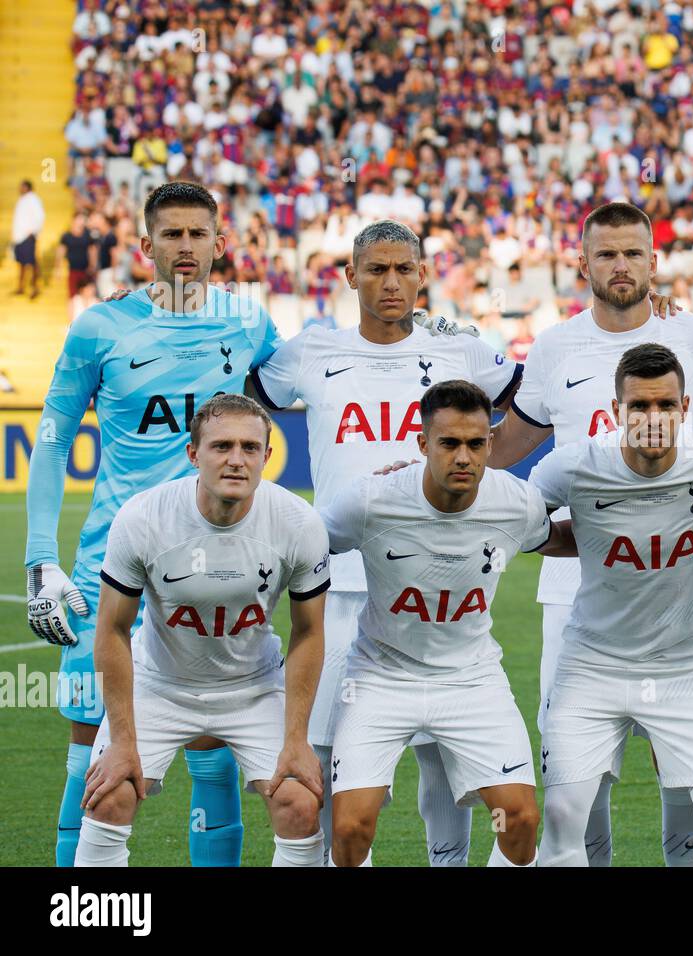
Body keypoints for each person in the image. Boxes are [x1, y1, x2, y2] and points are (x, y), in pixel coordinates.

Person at [250, 219, 521, 867]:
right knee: (323, 763)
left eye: (404, 268)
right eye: (376, 269)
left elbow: (529, 406)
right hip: (339, 589)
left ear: (424, 274)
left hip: (443, 583)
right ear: (350, 277)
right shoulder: (312, 352)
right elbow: (241, 398)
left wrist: (487, 488)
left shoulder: (462, 351)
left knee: (446, 759)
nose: (391, 281)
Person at [27, 181, 281, 867]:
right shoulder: (99, 328)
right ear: (146, 246)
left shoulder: (248, 321)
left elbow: (303, 381)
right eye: (172, 234)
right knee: (93, 756)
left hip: (212, 572)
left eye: (200, 234)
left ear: (222, 243)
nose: (187, 246)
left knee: (211, 749)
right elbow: (51, 440)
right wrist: (39, 560)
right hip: (110, 569)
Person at [488, 201, 693, 866]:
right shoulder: (556, 347)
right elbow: (508, 447)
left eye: (634, 253)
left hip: (677, 592)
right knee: (576, 776)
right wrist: (422, 458)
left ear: (654, 260)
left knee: (686, 767)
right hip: (575, 594)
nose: (621, 266)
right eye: (607, 254)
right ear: (582, 263)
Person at [530, 343, 693, 867]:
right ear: (616, 410)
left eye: (666, 405)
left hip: (691, 664)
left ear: (687, 408)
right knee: (561, 818)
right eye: (638, 406)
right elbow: (517, 523)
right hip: (592, 664)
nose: (653, 417)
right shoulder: (571, 467)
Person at [321, 381, 576, 867]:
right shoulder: (372, 501)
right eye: (449, 443)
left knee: (518, 820)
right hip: (380, 677)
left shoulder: (515, 503)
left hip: (471, 678)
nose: (464, 457)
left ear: (490, 445)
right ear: (422, 445)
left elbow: (557, 540)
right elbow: (307, 548)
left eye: (476, 444)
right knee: (352, 828)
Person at [74, 395, 330, 867]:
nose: (237, 459)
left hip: (253, 687)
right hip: (160, 684)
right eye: (222, 446)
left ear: (268, 457)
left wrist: (296, 739)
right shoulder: (143, 516)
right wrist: (124, 742)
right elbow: (112, 629)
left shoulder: (299, 522)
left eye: (251, 448)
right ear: (194, 455)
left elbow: (309, 633)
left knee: (299, 802)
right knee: (111, 794)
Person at [12, 180, 46, 299]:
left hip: (27, 236)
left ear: (27, 187)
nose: (20, 189)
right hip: (19, 237)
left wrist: (33, 232)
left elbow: (40, 216)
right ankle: (21, 287)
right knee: (21, 263)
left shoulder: (33, 199)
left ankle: (35, 288)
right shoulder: (23, 199)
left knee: (31, 263)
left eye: (22, 187)